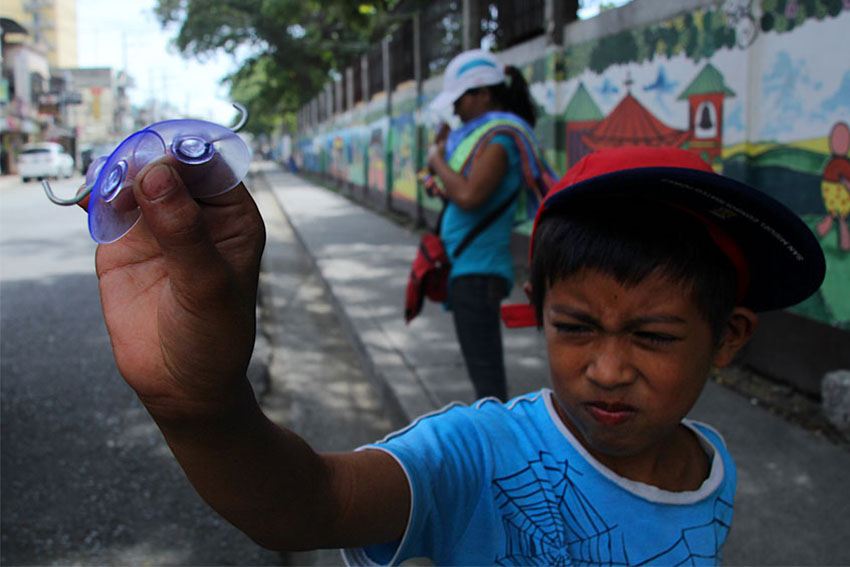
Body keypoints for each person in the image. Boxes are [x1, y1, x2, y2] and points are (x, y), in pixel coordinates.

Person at [90, 145, 824, 565]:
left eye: (653, 337)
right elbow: (307, 504)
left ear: (729, 336)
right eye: (574, 327)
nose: (605, 368)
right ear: (537, 308)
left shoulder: (713, 470)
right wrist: (201, 406)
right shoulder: (482, 451)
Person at [423, 48, 555, 402]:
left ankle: (494, 452)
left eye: (461, 99)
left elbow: (468, 196)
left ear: (483, 94)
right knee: (482, 373)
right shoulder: (480, 139)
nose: (455, 109)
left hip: (478, 272)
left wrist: (436, 159)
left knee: (487, 382)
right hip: (468, 269)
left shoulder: (500, 141)